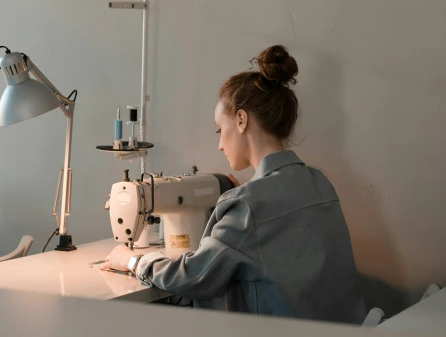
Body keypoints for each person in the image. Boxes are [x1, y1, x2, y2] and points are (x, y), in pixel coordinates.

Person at [102, 45, 366, 323]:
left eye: (220, 130)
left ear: (241, 120)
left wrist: (133, 261)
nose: (219, 145)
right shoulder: (320, 183)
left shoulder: (247, 205)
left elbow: (194, 277)